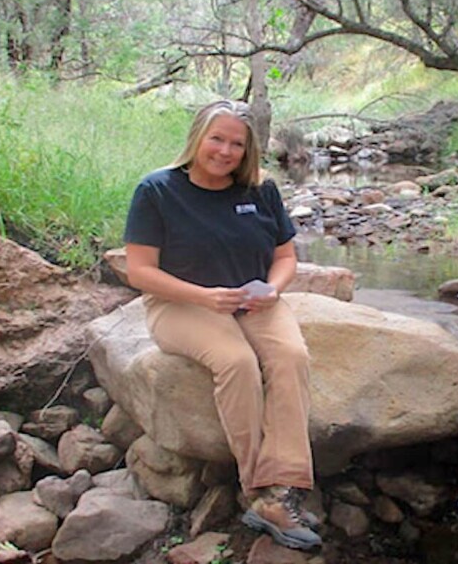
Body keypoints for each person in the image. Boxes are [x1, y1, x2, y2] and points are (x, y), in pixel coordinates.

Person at [123, 99, 321, 552]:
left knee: (291, 357)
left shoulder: (260, 189)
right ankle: (260, 491)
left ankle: (284, 484)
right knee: (237, 362)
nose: (225, 151)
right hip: (181, 304)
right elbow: (139, 271)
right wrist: (204, 297)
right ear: (197, 137)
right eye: (217, 138)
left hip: (254, 301)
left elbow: (285, 256)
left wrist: (273, 289)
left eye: (237, 143)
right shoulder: (156, 190)